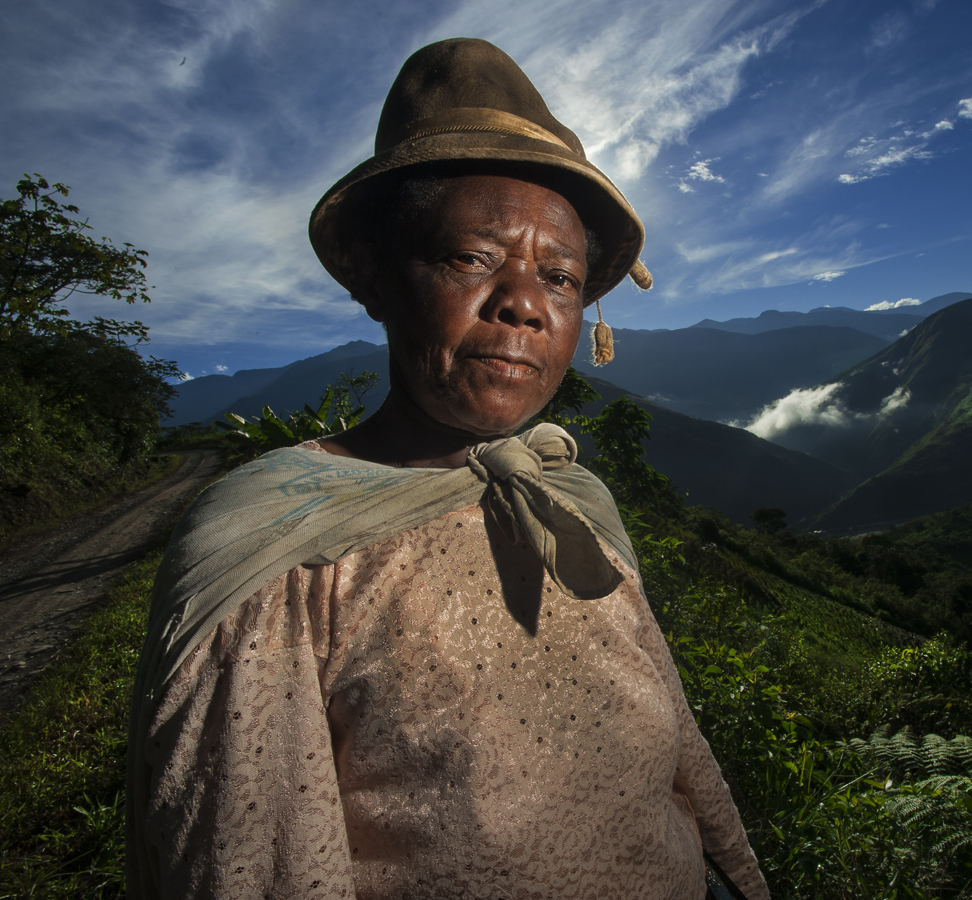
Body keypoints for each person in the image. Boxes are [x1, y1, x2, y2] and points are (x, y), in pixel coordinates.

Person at [126, 38, 770, 900]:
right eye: (472, 257)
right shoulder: (278, 552)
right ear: (377, 277)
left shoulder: (565, 495)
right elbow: (253, 860)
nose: (526, 304)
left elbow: (674, 744)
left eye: (562, 276)